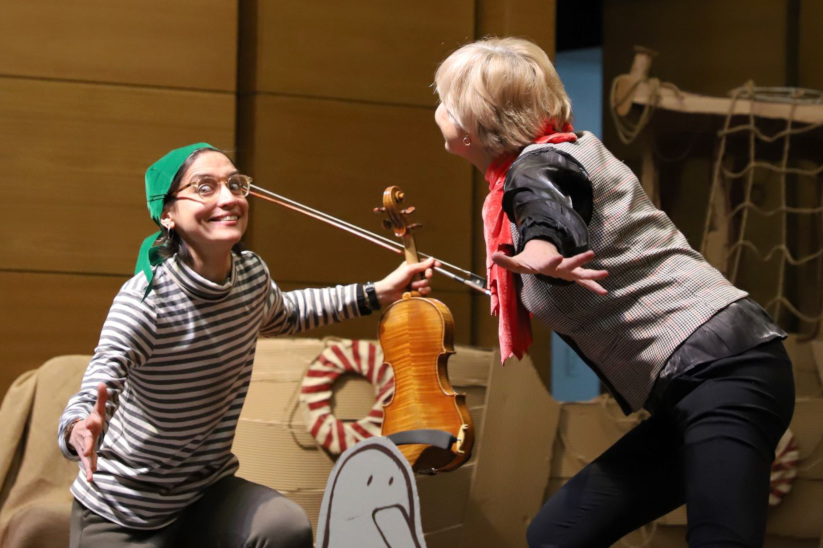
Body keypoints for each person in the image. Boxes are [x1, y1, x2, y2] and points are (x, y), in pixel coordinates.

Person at [433, 37, 795, 547]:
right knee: (558, 534)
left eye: (446, 99)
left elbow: (547, 212)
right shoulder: (566, 153)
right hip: (698, 380)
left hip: (725, 369)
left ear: (473, 123)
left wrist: (540, 250)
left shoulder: (537, 168)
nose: (439, 108)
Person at [57, 143, 437, 547]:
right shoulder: (146, 301)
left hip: (204, 494)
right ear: (168, 214)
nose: (228, 199)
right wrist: (79, 428)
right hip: (124, 510)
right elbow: (102, 377)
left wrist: (379, 292)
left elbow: (289, 312)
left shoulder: (251, 276)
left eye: (235, 185)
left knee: (283, 527)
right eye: (205, 187)